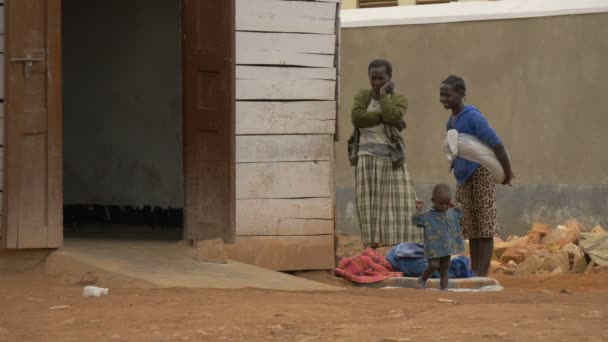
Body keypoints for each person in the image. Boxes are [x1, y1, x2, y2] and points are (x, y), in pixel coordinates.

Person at [440, 75, 514, 277]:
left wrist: (507, 173)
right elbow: (458, 149)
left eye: (447, 94)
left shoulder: (472, 116)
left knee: (484, 225)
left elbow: (496, 144)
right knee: (471, 228)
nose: (443, 99)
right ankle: (474, 272)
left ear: (461, 93)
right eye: (441, 95)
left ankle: (482, 273)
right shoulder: (450, 121)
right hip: (463, 178)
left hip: (480, 174)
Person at [350, 59, 422, 249]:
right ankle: (370, 248)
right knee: (368, 206)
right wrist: (383, 117)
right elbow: (357, 118)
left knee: (401, 204)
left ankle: (400, 249)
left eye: (381, 79)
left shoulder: (399, 99)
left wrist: (383, 95)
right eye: (373, 78)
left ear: (389, 79)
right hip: (366, 159)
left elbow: (392, 115)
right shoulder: (362, 95)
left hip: (392, 159)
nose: (376, 83)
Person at [412, 184, 465, 290]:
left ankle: (444, 289)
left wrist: (454, 205)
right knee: (434, 265)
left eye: (447, 203)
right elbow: (416, 222)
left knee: (445, 269)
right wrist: (418, 210)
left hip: (447, 248)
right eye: (441, 203)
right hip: (434, 248)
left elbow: (460, 214)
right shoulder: (427, 215)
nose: (444, 206)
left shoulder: (450, 212)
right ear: (433, 200)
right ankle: (422, 279)